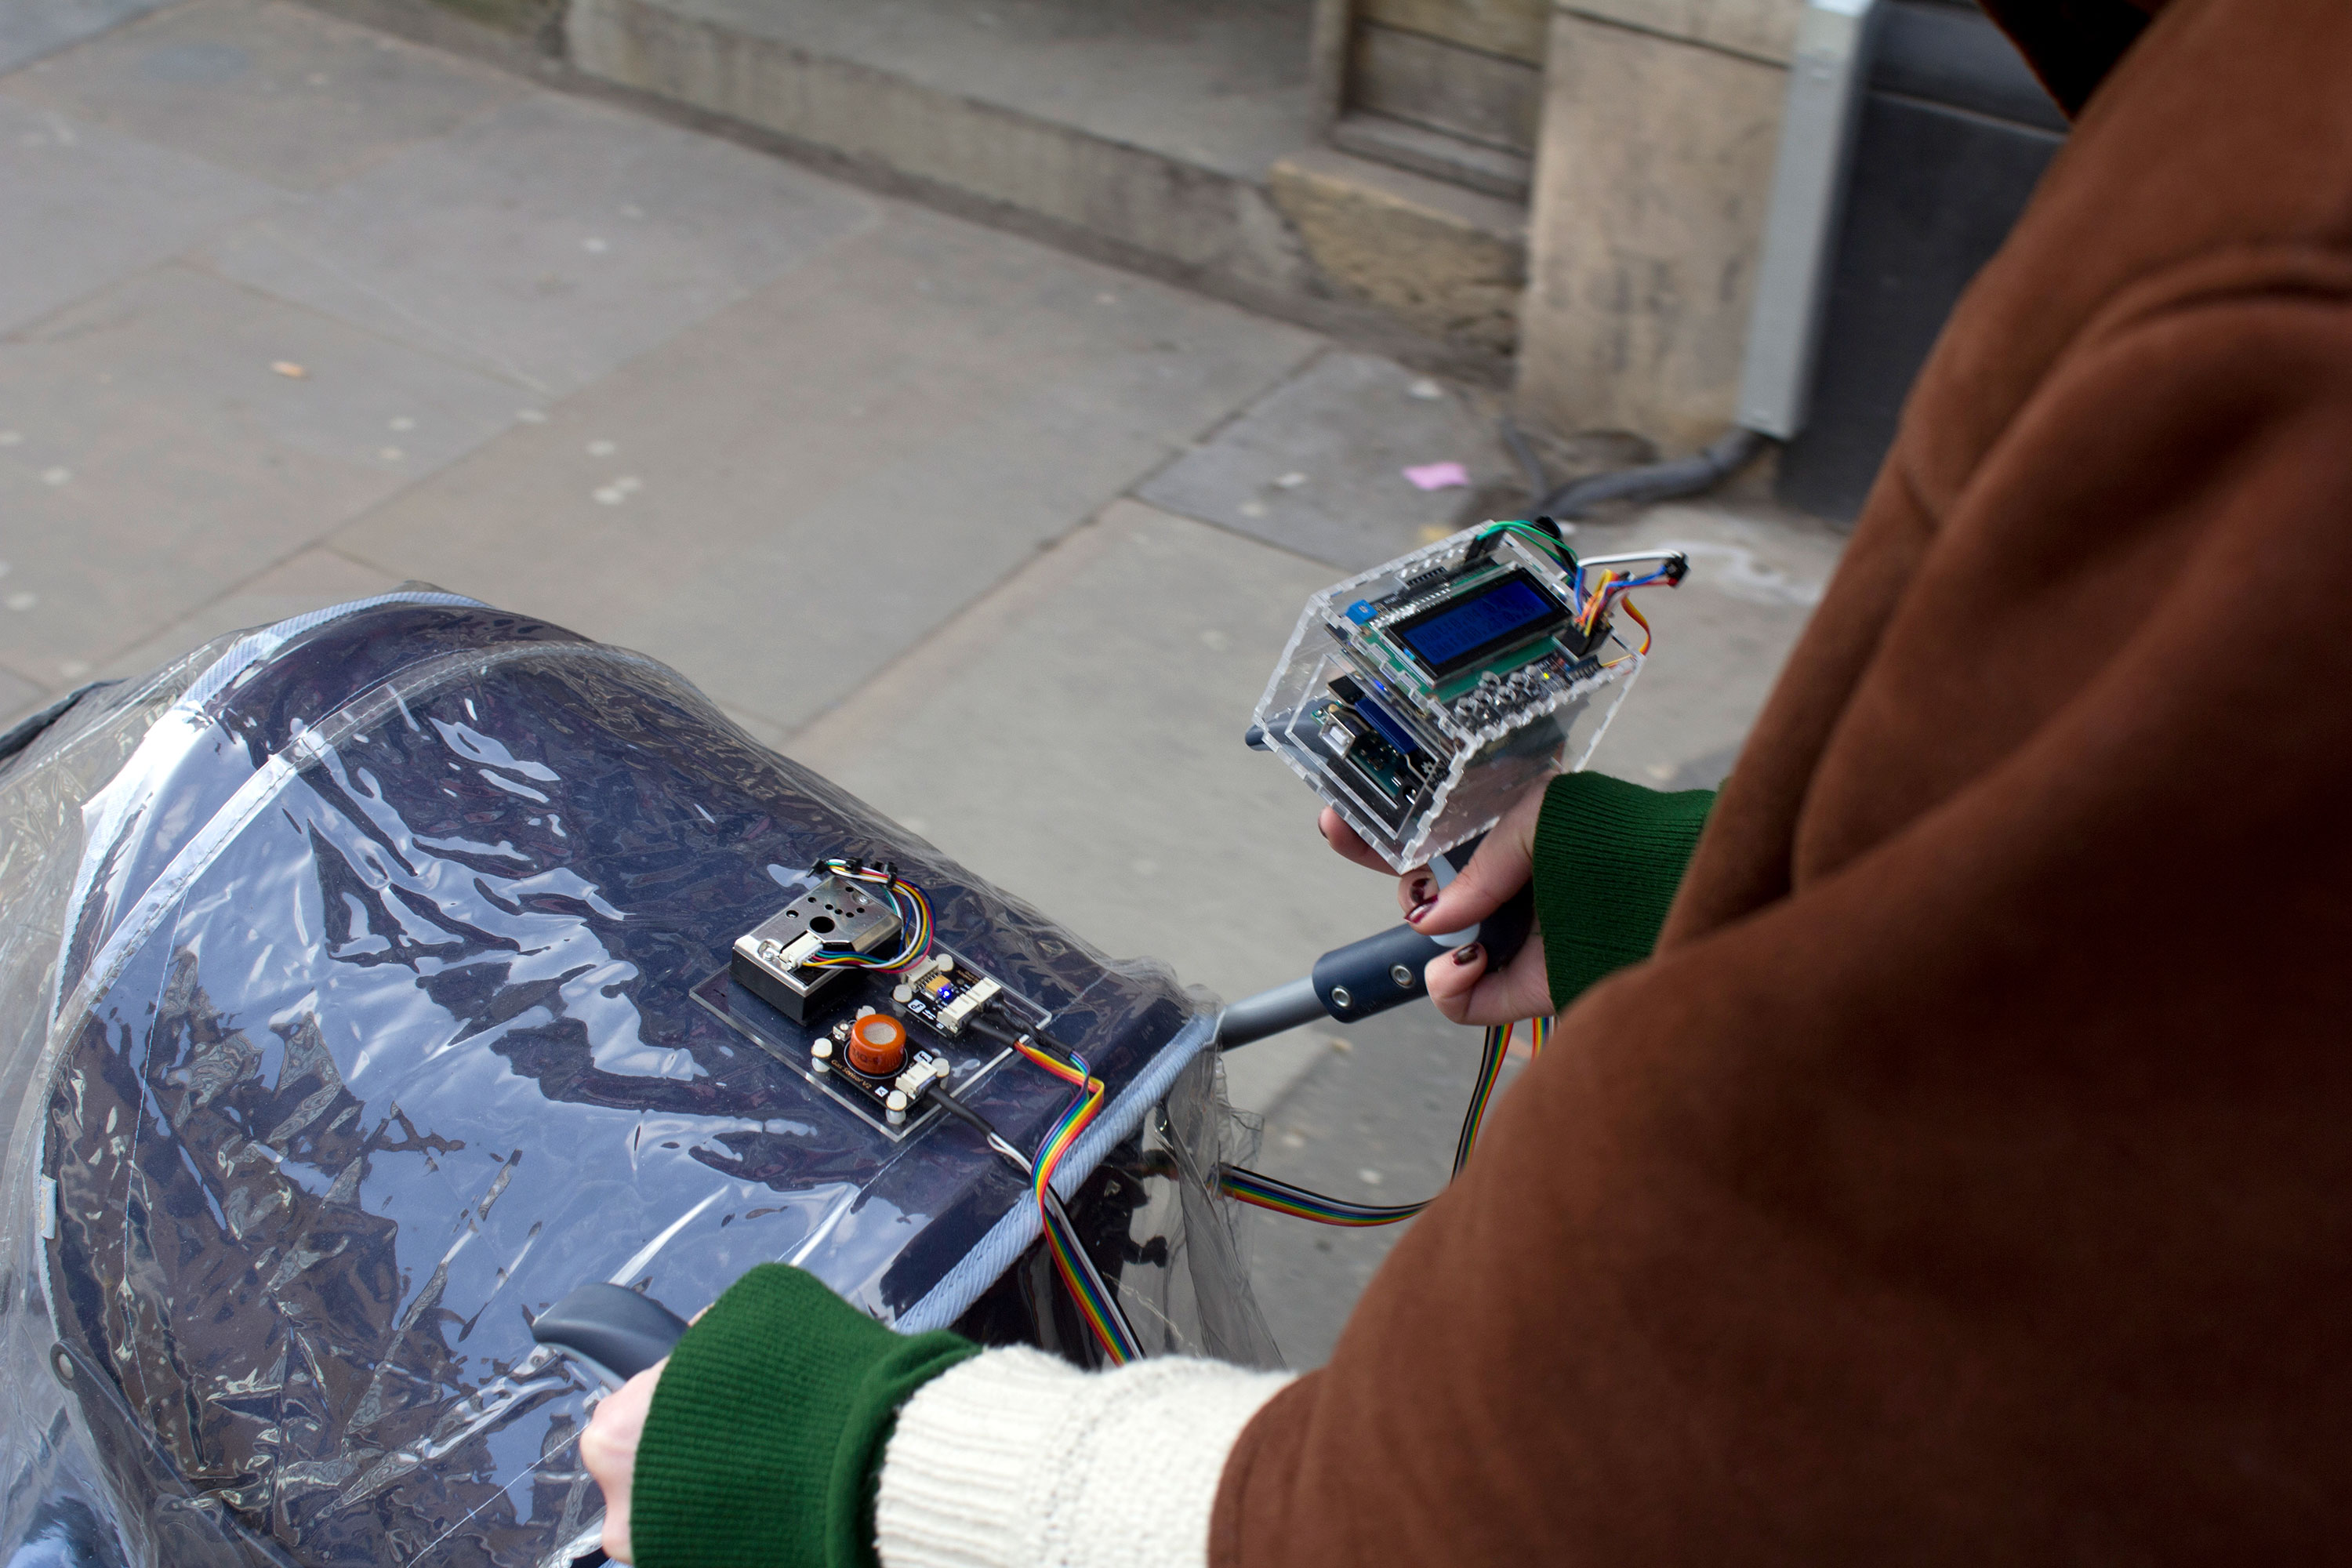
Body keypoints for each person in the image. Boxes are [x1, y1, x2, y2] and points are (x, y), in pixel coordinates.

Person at [583, 0, 2352, 1560]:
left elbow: (1694, 1461)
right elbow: (2160, 945)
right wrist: (1691, 892)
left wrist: (855, 1476)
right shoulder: (2240, 148)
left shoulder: (2277, 300)